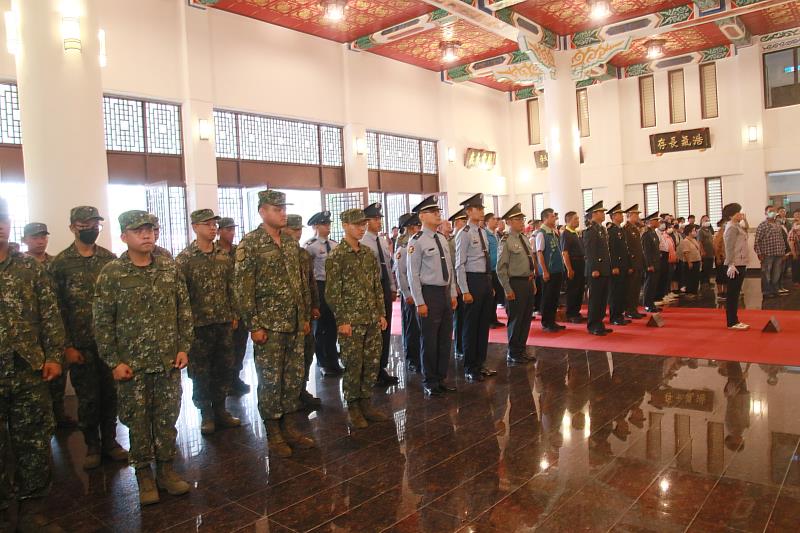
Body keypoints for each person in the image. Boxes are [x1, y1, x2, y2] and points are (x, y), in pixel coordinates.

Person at [93, 210, 193, 505]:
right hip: (132, 366)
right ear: (124, 237)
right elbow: (102, 322)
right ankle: (144, 476)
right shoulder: (112, 273)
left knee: (166, 420)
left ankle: (166, 471)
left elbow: (183, 311)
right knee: (138, 422)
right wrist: (113, 360)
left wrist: (183, 346)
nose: (147, 235)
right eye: (139, 231)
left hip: (166, 362)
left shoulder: (169, 269)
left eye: (150, 229)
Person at [0, 197, 66, 532]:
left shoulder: (29, 268)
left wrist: (54, 354)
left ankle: (32, 510)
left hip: (28, 368)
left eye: (4, 218)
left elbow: (50, 315)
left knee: (34, 441)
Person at [234, 190, 314, 458]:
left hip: (293, 323)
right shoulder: (251, 244)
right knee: (270, 380)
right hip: (268, 326)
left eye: (283, 208)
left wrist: (303, 317)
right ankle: (274, 432)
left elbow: (301, 283)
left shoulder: (291, 244)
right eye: (277, 209)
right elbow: (244, 289)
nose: (283, 213)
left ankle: (289, 426)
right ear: (262, 212)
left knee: (292, 379)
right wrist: (253, 325)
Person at [50, 206, 127, 469]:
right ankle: (92, 445)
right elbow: (56, 309)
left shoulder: (109, 259)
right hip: (80, 345)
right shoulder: (60, 264)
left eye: (95, 224)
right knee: (88, 398)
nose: (91, 229)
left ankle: (111, 442)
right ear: (73, 227)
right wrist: (67, 346)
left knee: (111, 395)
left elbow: (119, 303)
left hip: (108, 344)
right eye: (85, 224)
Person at [175, 209, 241, 434]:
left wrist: (234, 314)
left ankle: (221, 409)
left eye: (214, 224)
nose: (213, 228)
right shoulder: (184, 259)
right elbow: (181, 297)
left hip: (223, 323)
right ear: (195, 227)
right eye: (207, 224)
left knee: (224, 367)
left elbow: (232, 287)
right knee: (201, 372)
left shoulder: (223, 256)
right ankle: (206, 413)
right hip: (198, 326)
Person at [326, 208, 389, 427]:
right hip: (351, 321)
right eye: (357, 225)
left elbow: (376, 286)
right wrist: (342, 320)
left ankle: (366, 402)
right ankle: (353, 406)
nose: (361, 228)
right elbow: (332, 292)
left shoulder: (367, 254)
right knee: (353, 365)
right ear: (344, 225)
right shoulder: (337, 256)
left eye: (363, 224)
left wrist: (381, 313)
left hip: (371, 318)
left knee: (371, 363)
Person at [23, 222, 76, 429]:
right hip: (30, 332)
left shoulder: (55, 264)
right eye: (35, 237)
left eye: (43, 237)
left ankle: (59, 415)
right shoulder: (21, 265)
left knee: (58, 375)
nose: (40, 241)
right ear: (25, 240)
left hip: (55, 327)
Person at [407, 197, 458, 396]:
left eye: (438, 211)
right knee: (429, 340)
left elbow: (450, 269)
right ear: (422, 216)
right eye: (432, 211)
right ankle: (429, 381)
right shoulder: (417, 241)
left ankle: (441, 377)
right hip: (429, 294)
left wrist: (452, 292)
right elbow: (413, 274)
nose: (438, 214)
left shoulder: (442, 238)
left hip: (444, 293)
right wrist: (419, 301)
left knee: (445, 339)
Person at [455, 193, 497, 382]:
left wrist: (489, 284)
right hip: (472, 280)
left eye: (482, 208)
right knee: (471, 326)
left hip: (485, 280)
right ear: (468, 211)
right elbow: (459, 264)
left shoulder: (481, 232)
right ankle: (470, 366)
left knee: (483, 325)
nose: (481, 211)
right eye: (478, 209)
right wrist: (464, 290)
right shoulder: (463, 234)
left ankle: (480, 363)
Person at [282, 215, 322, 408]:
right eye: (293, 229)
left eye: (299, 230)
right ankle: (286, 395)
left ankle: (301, 389)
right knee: (288, 358)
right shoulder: (277, 253)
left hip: (305, 314)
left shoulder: (303, 254)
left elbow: (310, 282)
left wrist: (315, 305)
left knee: (307, 352)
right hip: (285, 316)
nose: (297, 234)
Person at [360, 202, 399, 386]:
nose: (378, 222)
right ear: (366, 222)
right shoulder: (362, 242)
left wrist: (392, 287)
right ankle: (371, 369)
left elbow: (388, 266)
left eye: (379, 219)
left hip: (384, 287)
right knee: (374, 330)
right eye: (375, 219)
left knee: (386, 328)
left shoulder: (382, 241)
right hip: (371, 289)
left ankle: (381, 366)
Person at [496, 203, 536, 364]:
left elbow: (528, 261)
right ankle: (513, 352)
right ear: (509, 222)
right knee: (516, 319)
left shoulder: (524, 238)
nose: (521, 222)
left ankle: (521, 349)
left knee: (526, 318)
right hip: (515, 283)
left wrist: (532, 281)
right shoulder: (506, 240)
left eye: (522, 219)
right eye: (518, 219)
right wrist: (507, 288)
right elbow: (500, 268)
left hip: (526, 282)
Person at [305, 211, 342, 377]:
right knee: (321, 328)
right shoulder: (310, 246)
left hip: (333, 286)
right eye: (324, 224)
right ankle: (322, 362)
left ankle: (333, 360)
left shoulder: (334, 245)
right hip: (319, 286)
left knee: (333, 326)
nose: (327, 227)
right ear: (315, 226)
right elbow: (306, 271)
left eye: (328, 224)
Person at [216, 217, 251, 395]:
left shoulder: (238, 251)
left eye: (232, 229)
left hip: (241, 305)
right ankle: (225, 382)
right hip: (223, 308)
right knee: (225, 350)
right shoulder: (215, 252)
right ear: (219, 231)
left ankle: (235, 378)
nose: (231, 233)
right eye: (227, 229)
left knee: (240, 345)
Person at [394, 213, 421, 373]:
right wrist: (406, 293)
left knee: (420, 327)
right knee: (411, 328)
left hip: (419, 292)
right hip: (410, 293)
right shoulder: (403, 248)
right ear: (410, 228)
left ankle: (419, 357)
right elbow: (401, 274)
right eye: (416, 226)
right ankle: (412, 359)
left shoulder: (417, 244)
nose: (419, 229)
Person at [583, 201, 613, 336]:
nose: (603, 214)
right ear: (594, 214)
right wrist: (594, 268)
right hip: (596, 270)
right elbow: (590, 251)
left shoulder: (601, 229)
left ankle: (599, 322)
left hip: (604, 268)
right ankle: (593, 325)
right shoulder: (591, 231)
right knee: (595, 299)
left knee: (602, 298)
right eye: (601, 212)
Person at [535, 208, 566, 332]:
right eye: (552, 217)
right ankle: (546, 322)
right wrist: (545, 271)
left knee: (554, 298)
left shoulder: (552, 232)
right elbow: (540, 253)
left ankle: (552, 321)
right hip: (549, 271)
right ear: (545, 219)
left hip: (557, 270)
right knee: (548, 298)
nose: (555, 219)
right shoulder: (541, 233)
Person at [722, 203, 750, 330]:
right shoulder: (731, 227)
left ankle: (734, 319)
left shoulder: (737, 225)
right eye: (738, 212)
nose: (741, 214)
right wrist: (731, 264)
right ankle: (732, 321)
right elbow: (729, 247)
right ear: (731, 215)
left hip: (741, 262)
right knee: (733, 294)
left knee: (736, 293)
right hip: (735, 264)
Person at [754, 205, 788, 298]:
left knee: (777, 273)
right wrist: (759, 253)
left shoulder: (778, 223)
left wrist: (784, 252)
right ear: (766, 213)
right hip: (767, 254)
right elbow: (757, 241)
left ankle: (775, 290)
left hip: (779, 253)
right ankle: (766, 291)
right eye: (770, 211)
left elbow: (781, 239)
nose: (772, 212)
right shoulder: (762, 225)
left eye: (774, 211)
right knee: (766, 273)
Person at [606, 203, 631, 326]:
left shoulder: (620, 229)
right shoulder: (611, 230)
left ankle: (619, 315)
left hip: (623, 264)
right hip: (617, 266)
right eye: (620, 214)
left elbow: (624, 249)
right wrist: (614, 266)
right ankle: (614, 316)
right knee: (615, 292)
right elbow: (611, 250)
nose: (622, 216)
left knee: (622, 291)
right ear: (614, 216)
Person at [448, 208, 468, 357]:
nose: (466, 223)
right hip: (459, 284)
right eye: (463, 221)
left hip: (468, 282)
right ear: (456, 223)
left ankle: (466, 345)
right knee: (460, 318)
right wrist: (456, 286)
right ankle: (459, 347)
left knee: (467, 318)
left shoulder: (467, 236)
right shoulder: (452, 242)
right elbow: (453, 266)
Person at [622, 205, 646, 319]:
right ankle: (629, 310)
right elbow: (627, 249)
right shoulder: (626, 229)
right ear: (629, 216)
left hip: (638, 262)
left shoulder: (634, 228)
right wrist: (630, 265)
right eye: (635, 214)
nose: (638, 216)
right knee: (630, 288)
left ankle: (634, 309)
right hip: (632, 263)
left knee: (636, 288)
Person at [560, 211, 584, 323]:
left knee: (579, 290)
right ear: (568, 220)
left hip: (580, 264)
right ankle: (571, 314)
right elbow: (565, 253)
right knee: (573, 290)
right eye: (575, 219)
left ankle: (576, 312)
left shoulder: (575, 233)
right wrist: (569, 269)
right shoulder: (566, 233)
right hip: (572, 264)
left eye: (578, 218)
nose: (578, 220)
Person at [484, 212, 504, 328]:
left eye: (497, 219)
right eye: (493, 219)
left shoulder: (496, 234)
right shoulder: (485, 234)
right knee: (491, 295)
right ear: (487, 222)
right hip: (490, 269)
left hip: (497, 269)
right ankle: (489, 320)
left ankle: (494, 318)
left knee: (496, 296)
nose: (496, 221)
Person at [641, 211, 662, 313]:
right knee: (649, 284)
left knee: (654, 284)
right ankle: (647, 304)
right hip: (651, 264)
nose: (658, 222)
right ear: (650, 221)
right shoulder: (646, 234)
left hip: (656, 262)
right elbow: (646, 251)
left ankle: (651, 303)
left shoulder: (654, 233)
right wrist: (649, 264)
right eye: (656, 220)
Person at [677, 224, 702, 298]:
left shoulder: (694, 240)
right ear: (689, 232)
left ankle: (694, 291)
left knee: (696, 277)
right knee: (690, 277)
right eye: (694, 231)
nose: (695, 232)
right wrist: (689, 262)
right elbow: (686, 252)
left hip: (696, 260)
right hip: (690, 262)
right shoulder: (685, 241)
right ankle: (689, 292)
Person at [713, 218, 728, 301]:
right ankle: (719, 292)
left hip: (726, 258)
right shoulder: (718, 234)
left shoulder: (727, 233)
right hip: (720, 257)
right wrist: (718, 257)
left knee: (726, 276)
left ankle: (725, 292)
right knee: (720, 275)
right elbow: (715, 247)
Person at [698, 215, 715, 286]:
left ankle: (707, 280)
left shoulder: (709, 230)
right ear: (701, 221)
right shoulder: (700, 231)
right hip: (705, 252)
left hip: (710, 252)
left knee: (709, 267)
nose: (707, 222)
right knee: (705, 267)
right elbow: (700, 242)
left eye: (708, 220)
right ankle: (703, 282)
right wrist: (702, 251)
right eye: (705, 220)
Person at [790, 216, 800, 287]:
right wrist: (794, 254)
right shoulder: (792, 232)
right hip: (796, 253)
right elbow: (791, 244)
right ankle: (796, 281)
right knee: (796, 267)